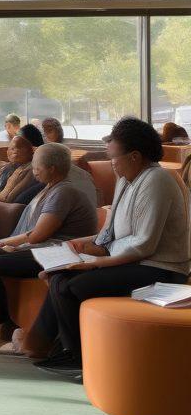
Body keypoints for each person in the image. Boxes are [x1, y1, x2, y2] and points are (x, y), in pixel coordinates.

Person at [27, 117, 191, 378]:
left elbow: (144, 244)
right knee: (58, 276)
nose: (111, 162)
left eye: (114, 157)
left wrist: (98, 260)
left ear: (135, 156)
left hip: (161, 268)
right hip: (133, 262)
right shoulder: (128, 179)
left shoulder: (158, 181)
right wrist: (91, 246)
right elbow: (111, 229)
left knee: (73, 285)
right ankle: (69, 351)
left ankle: (79, 358)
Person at [0, 142, 99, 352]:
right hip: (42, 248)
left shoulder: (63, 193)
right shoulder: (49, 189)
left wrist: (3, 243)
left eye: (37, 166)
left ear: (52, 169)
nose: (34, 170)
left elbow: (38, 235)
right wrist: (3, 244)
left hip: (55, 252)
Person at [0, 127, 44, 206]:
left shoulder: (31, 170)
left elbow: (7, 199)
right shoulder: (9, 166)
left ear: (32, 148)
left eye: (19, 144)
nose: (13, 149)